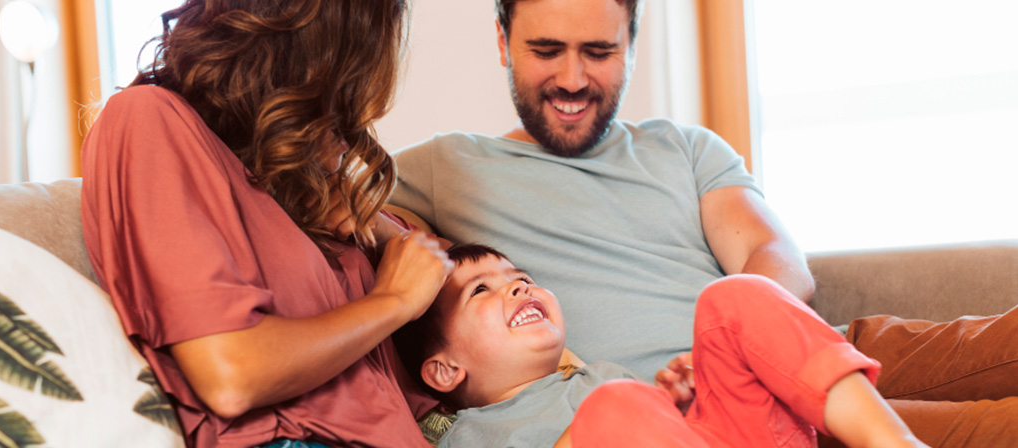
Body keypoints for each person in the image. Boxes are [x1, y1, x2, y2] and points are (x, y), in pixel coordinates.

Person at [388, 0, 1018, 446]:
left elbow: (774, 255)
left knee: (995, 342)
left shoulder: (685, 147)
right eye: (546, 50)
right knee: (986, 431)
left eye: (599, 51)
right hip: (696, 420)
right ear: (502, 42)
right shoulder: (449, 167)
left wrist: (722, 347)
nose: (573, 79)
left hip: (793, 349)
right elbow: (319, 196)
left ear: (632, 42)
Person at [80, 1, 452, 447]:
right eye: (360, 61)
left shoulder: (285, 165)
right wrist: (392, 301)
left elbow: (454, 278)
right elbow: (230, 374)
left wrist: (372, 223)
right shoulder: (146, 119)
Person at [394, 244, 926, 448]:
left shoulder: (597, 374)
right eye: (481, 290)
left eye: (521, 277)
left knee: (732, 298)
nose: (518, 287)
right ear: (444, 371)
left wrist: (676, 400)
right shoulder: (471, 436)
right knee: (618, 406)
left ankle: (895, 444)